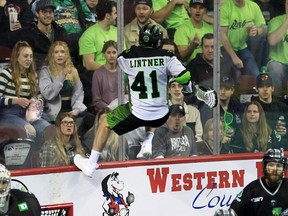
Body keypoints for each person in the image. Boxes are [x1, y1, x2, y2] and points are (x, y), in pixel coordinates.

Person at [74, 23, 192, 177]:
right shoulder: (167, 56)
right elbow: (185, 76)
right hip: (161, 113)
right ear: (158, 42)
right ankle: (148, 141)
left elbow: (115, 64)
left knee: (105, 123)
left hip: (137, 112)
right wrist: (189, 89)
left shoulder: (126, 56)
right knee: (153, 104)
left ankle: (91, 164)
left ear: (140, 40)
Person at [0, 41, 50, 148]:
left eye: (31, 56)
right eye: (25, 56)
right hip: (8, 114)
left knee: (47, 129)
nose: (29, 59)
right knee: (30, 131)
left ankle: (40, 161)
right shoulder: (6, 74)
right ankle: (27, 163)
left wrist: (36, 102)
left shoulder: (33, 75)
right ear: (17, 57)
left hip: (28, 114)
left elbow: (40, 97)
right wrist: (15, 100)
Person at [1, 0, 69, 71]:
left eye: (50, 12)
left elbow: (67, 56)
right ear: (37, 13)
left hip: (58, 72)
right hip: (36, 73)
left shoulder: (61, 32)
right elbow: (5, 40)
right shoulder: (27, 32)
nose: (48, 15)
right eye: (44, 12)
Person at [39, 41, 87, 123]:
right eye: (56, 52)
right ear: (52, 55)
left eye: (62, 52)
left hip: (70, 108)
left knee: (89, 119)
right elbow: (48, 94)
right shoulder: (45, 71)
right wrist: (62, 76)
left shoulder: (73, 70)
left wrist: (75, 110)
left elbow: (79, 93)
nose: (60, 55)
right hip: (54, 112)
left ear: (66, 55)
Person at [230, 148, 288, 215]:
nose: (275, 169)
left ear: (284, 169)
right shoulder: (252, 190)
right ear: (265, 167)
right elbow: (233, 212)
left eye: (279, 166)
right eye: (271, 165)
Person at [220, 0, 266, 78]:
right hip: (225, 49)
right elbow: (222, 35)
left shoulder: (253, 6)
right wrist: (234, 57)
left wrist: (257, 30)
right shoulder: (225, 7)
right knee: (236, 76)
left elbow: (263, 28)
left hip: (242, 47)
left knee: (256, 75)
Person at [250, 70, 288, 150]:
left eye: (268, 86)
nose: (265, 89)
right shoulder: (252, 108)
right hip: (259, 147)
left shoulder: (282, 107)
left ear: (273, 88)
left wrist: (286, 131)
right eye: (261, 86)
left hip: (282, 147)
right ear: (256, 89)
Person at [78, 0, 117, 71]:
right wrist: (110, 70)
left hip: (119, 73)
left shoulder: (118, 32)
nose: (117, 16)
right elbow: (89, 64)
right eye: (115, 13)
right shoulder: (88, 35)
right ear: (108, 16)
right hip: (98, 74)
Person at [174, 0, 213, 66]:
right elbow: (181, 57)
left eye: (201, 8)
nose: (198, 11)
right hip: (191, 69)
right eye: (194, 7)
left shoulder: (211, 29)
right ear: (189, 10)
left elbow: (219, 53)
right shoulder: (181, 30)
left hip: (209, 68)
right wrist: (192, 46)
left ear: (205, 11)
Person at [168, 79, 203, 143]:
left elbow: (198, 138)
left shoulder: (194, 112)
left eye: (180, 86)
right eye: (173, 86)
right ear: (169, 90)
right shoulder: (162, 111)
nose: (177, 89)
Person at [266, 0, 288, 97]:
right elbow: (272, 41)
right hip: (278, 62)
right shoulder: (275, 21)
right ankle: (276, 100)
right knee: (275, 68)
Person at [91, 40, 118, 114]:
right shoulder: (98, 74)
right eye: (108, 53)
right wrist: (110, 109)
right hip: (105, 113)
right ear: (103, 55)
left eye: (114, 52)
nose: (111, 55)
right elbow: (97, 100)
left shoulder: (123, 72)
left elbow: (127, 94)